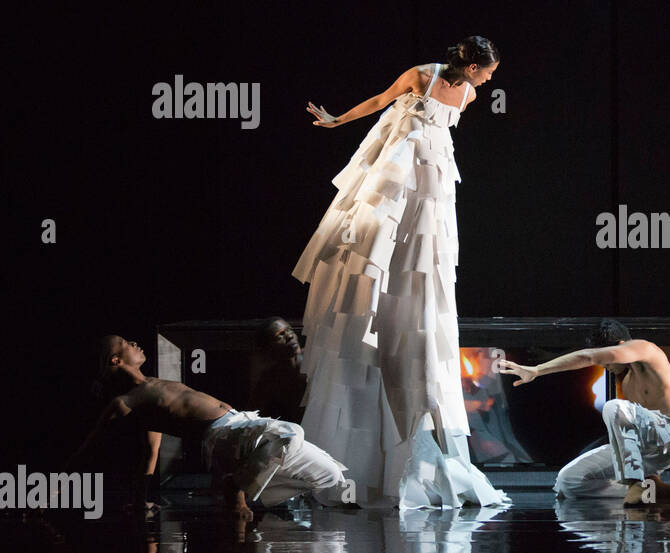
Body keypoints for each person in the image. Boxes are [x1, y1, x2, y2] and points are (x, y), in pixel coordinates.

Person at [293, 37, 508, 509]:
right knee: (377, 228)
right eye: (488, 70)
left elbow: (441, 134)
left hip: (431, 177)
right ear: (472, 66)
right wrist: (336, 120)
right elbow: (378, 102)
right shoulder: (421, 74)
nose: (491, 79)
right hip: (400, 163)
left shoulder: (468, 95)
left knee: (423, 254)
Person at [77, 336, 349, 520]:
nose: (134, 343)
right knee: (291, 434)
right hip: (222, 437)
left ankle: (254, 492)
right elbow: (90, 447)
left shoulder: (153, 385)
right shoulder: (128, 401)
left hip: (244, 423)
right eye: (125, 343)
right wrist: (56, 492)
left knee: (333, 475)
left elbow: (152, 451)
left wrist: (140, 501)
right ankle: (236, 488)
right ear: (115, 360)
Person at [499, 319, 670, 505]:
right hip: (651, 449)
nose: (605, 367)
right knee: (568, 481)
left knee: (614, 406)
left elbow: (588, 356)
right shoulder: (628, 382)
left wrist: (536, 370)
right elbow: (635, 441)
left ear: (619, 346)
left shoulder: (645, 348)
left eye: (607, 361)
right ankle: (651, 490)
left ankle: (635, 483)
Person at [249, 317, 307, 424]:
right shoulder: (270, 380)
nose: (290, 336)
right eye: (280, 335)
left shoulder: (315, 360)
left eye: (290, 330)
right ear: (268, 347)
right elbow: (254, 414)